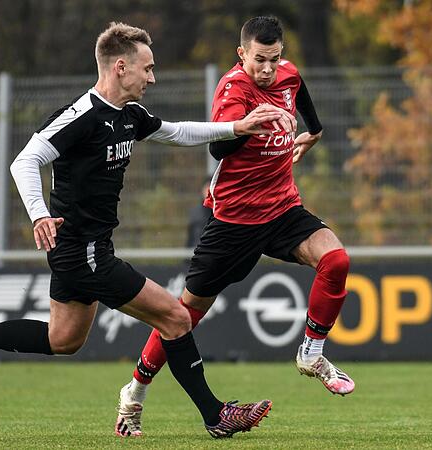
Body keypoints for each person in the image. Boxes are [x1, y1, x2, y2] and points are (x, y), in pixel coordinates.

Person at [0, 21, 297, 439]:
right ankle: (215, 415)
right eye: (147, 68)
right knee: (175, 318)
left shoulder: (129, 115)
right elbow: (24, 160)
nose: (153, 77)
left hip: (83, 251)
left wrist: (236, 128)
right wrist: (38, 213)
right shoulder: (82, 116)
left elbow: (177, 132)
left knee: (64, 339)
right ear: (121, 68)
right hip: (85, 253)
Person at [114, 16, 354, 437]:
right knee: (182, 315)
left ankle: (311, 354)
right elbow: (218, 146)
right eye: (259, 59)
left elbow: (300, 93)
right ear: (242, 54)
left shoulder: (287, 74)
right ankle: (134, 393)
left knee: (335, 259)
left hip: (282, 210)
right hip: (234, 222)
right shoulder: (233, 90)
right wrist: (252, 124)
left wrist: (313, 132)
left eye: (274, 59)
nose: (267, 69)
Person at [185, 178, 213, 248]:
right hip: (196, 253)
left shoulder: (222, 213)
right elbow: (190, 239)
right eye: (207, 188)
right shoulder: (195, 213)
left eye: (211, 188)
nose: (209, 191)